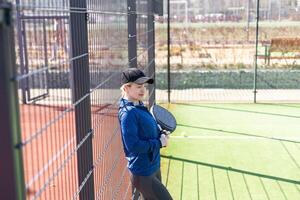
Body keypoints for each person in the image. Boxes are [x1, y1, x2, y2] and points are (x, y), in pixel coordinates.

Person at [118, 68, 173, 200]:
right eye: (138, 87)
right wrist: (159, 142)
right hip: (143, 172)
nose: (142, 90)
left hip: (153, 166)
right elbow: (133, 145)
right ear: (126, 88)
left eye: (143, 86)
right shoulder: (128, 113)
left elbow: (146, 130)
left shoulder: (139, 104)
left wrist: (160, 133)